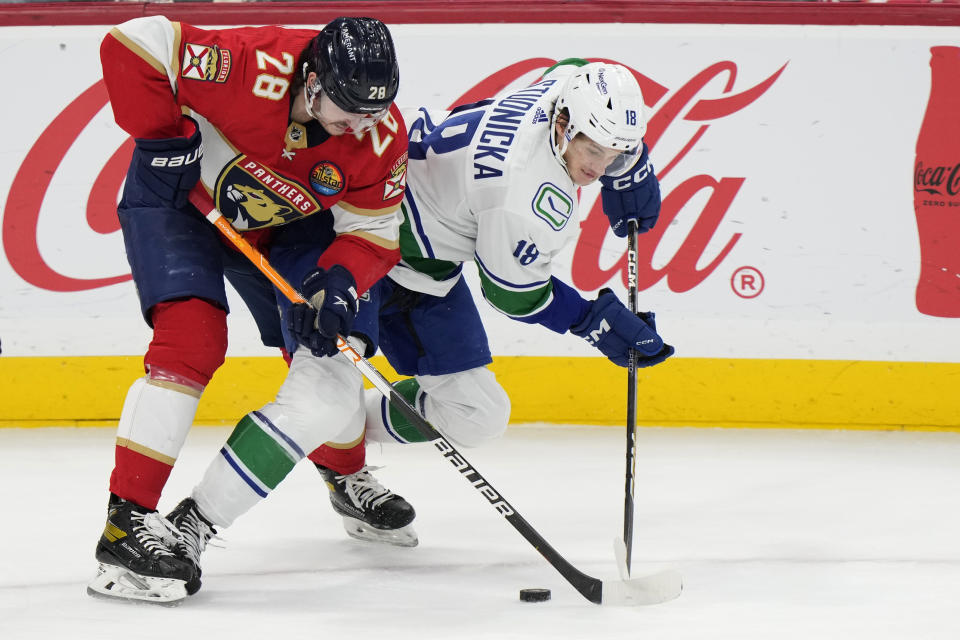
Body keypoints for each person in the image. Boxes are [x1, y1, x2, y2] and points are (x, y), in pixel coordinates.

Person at [89, 14, 412, 605]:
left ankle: (343, 472)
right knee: (192, 341)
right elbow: (136, 41)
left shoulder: (379, 135)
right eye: (346, 109)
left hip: (282, 228)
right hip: (178, 205)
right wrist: (162, 137)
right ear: (311, 79)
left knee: (329, 352)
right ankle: (126, 524)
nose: (360, 126)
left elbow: (374, 231)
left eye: (372, 111)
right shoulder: (249, 62)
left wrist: (340, 281)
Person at [301, 60, 673, 535]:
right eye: (594, 151)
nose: (599, 169)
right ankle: (339, 454)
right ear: (564, 125)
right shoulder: (524, 195)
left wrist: (631, 164)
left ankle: (339, 440)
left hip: (416, 231)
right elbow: (513, 295)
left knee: (478, 414)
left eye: (615, 154)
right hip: (369, 239)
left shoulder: (564, 92)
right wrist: (591, 321)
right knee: (328, 385)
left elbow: (578, 66)